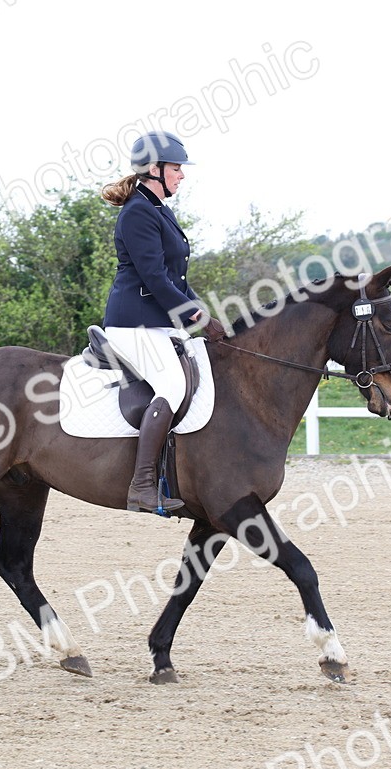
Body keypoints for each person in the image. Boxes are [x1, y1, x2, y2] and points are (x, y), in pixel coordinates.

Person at [100, 130, 227, 513]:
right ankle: (141, 486)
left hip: (158, 323)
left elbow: (176, 281)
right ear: (154, 169)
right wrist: (198, 317)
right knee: (172, 385)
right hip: (133, 324)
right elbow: (155, 279)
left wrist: (204, 313)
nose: (182, 175)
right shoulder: (137, 212)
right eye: (176, 168)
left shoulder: (159, 210)